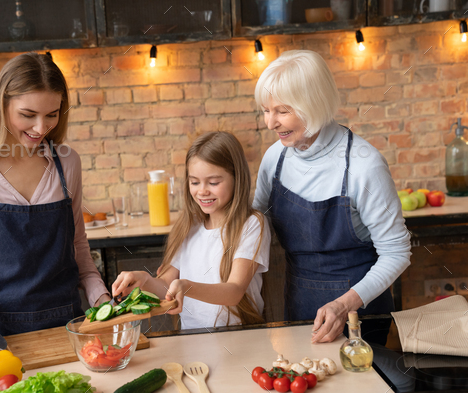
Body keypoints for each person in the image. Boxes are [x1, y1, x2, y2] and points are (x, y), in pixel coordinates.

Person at [0, 53, 110, 348]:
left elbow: (77, 245)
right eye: (28, 115)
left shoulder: (67, 163)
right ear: (2, 106)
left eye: (52, 114)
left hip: (67, 326)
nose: (41, 128)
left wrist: (100, 297)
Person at [252, 50, 411, 345]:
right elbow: (252, 225)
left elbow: (397, 253)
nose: (270, 122)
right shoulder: (274, 159)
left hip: (359, 317)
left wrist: (343, 305)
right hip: (298, 306)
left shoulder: (364, 165)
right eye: (266, 110)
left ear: (314, 104)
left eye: (282, 111)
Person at [112, 132, 271, 329]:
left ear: (236, 179)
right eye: (194, 182)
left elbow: (234, 292)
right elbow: (165, 288)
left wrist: (186, 286)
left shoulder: (252, 224)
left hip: (238, 337)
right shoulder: (188, 227)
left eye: (213, 182)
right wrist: (144, 280)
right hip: (192, 338)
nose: (202, 191)